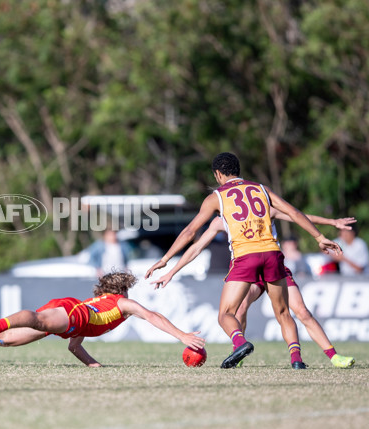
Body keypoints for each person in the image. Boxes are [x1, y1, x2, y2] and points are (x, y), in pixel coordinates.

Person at [145, 152, 342, 369]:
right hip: (272, 255)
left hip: (246, 257)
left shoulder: (216, 198)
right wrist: (320, 237)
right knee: (284, 312)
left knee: (226, 314)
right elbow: (294, 213)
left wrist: (165, 260)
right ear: (238, 170)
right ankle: (296, 361)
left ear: (218, 174)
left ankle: (240, 342)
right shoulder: (261, 189)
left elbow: (190, 232)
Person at [155, 211, 355, 368]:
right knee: (239, 309)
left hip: (274, 266)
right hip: (251, 270)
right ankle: (239, 352)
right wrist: (172, 270)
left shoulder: (262, 207)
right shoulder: (222, 217)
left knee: (300, 311)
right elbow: (197, 247)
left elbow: (297, 215)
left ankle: (327, 357)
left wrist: (331, 222)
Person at [0, 272, 205, 366]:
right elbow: (152, 315)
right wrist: (183, 336)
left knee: (8, 340)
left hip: (72, 315)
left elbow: (74, 346)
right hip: (73, 314)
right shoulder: (122, 303)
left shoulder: (100, 304)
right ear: (120, 290)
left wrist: (94, 365)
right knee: (36, 321)